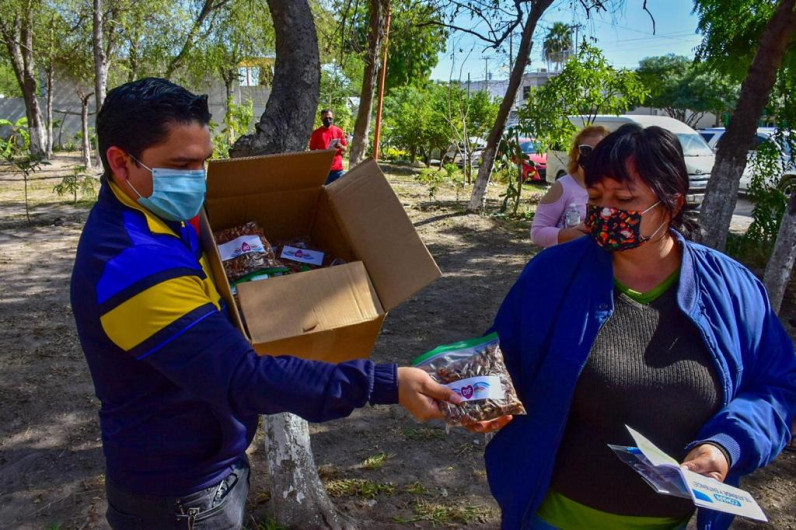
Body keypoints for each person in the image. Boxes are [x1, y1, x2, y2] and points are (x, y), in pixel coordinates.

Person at [70, 78, 461, 529]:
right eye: (181, 164)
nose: (198, 179)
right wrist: (385, 384)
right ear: (120, 162)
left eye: (204, 162)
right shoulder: (134, 267)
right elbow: (243, 377)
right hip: (177, 495)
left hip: (213, 466)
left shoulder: (165, 215)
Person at [485, 124, 796, 529]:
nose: (606, 212)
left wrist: (726, 446)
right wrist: (480, 396)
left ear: (672, 202)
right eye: (596, 198)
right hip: (550, 518)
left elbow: (778, 388)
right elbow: (501, 362)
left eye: (625, 199)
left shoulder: (732, 290)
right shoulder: (552, 274)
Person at [530, 126, 608, 248]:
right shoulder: (563, 187)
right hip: (566, 262)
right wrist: (574, 234)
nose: (593, 157)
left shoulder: (611, 189)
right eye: (587, 150)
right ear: (576, 152)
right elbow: (537, 233)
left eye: (600, 151)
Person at [309, 108, 348, 184]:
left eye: (330, 118)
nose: (328, 120)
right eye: (326, 118)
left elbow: (345, 148)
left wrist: (340, 146)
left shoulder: (338, 131)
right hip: (324, 170)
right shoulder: (316, 133)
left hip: (338, 169)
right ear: (321, 118)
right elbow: (312, 149)